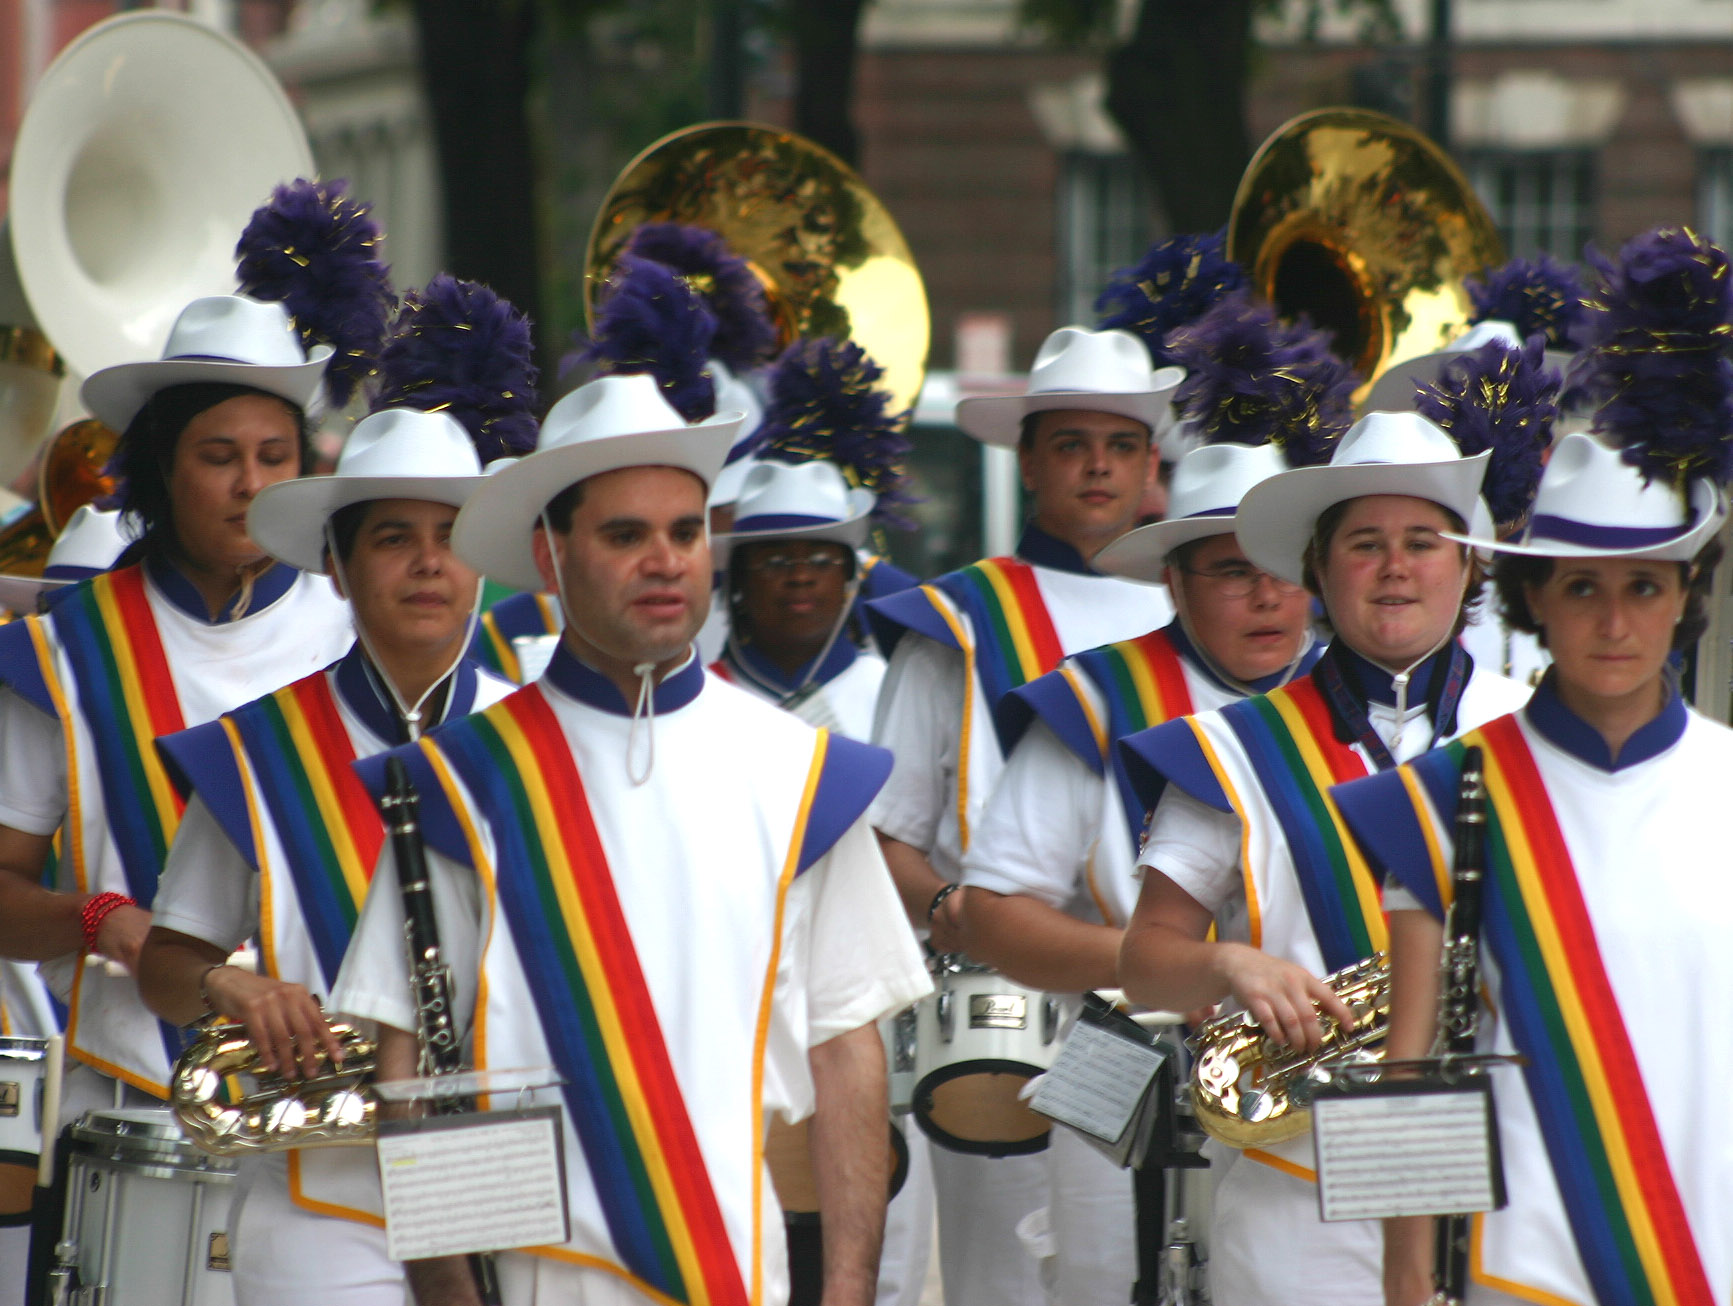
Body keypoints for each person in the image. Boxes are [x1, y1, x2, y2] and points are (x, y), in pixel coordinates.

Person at [328, 372, 931, 1306]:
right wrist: (447, 1291)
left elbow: (847, 1052)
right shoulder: (464, 780)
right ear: (551, 551)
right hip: (536, 1280)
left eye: (684, 532)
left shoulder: (803, 773)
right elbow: (406, 1066)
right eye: (624, 535)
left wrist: (848, 1292)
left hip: (739, 1275)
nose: (664, 560)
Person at [1331, 227, 1733, 1306]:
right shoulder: (1444, 794)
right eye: (1578, 588)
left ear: (1684, 602)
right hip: (1522, 1278)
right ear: (1529, 601)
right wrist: (1405, 1286)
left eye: (1642, 587)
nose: (1611, 620)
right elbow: (1406, 1069)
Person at [133, 276, 533, 1306]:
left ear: (483, 562)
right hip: (319, 1194)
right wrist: (227, 984)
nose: (425, 563)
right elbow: (169, 963)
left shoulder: (544, 736)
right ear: (341, 568)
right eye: (390, 536)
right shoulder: (258, 749)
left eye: (448, 534)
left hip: (510, 1172)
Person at [955, 291, 1355, 1302]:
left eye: (1280, 572)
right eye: (1230, 572)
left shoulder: (1357, 712)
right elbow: (989, 917)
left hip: (1324, 1084)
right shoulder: (1091, 701)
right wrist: (1178, 967)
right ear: (1171, 582)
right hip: (1120, 1062)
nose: (1265, 597)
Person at [1116, 409, 1534, 1306]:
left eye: (1423, 541)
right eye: (1364, 543)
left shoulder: (1534, 731)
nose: (1394, 566)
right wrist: (1225, 960)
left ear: (1466, 566)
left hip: (1511, 1185)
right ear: (1315, 567)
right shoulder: (1226, 747)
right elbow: (1145, 964)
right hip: (1298, 1199)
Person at [865, 324, 1177, 1306]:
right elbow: (885, 838)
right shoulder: (955, 621)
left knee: (1159, 1266)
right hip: (994, 1012)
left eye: (1121, 444)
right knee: (1001, 1283)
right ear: (1028, 459)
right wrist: (967, 908)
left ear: (1149, 464)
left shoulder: (1198, 619)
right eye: (1073, 443)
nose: (1097, 465)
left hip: (1166, 1008)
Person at [0, 291, 356, 1121]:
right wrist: (99, 920)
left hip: (334, 1098)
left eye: (275, 455)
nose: (250, 484)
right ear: (162, 469)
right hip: (131, 1107)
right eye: (219, 456)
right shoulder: (65, 652)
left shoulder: (358, 632)